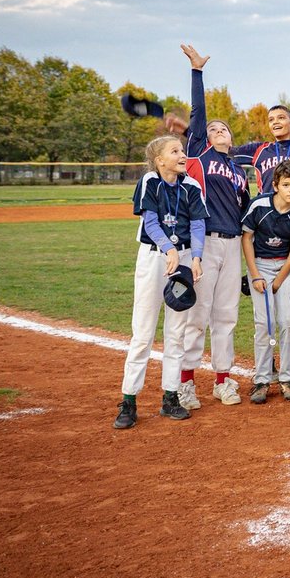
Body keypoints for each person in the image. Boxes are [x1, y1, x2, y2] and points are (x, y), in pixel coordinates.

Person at [114, 134, 206, 428]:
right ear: (159, 160)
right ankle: (128, 401)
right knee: (143, 332)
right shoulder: (150, 182)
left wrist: (196, 257)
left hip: (183, 257)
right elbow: (150, 222)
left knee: (176, 332)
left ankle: (170, 398)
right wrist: (169, 249)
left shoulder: (191, 185)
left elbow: (198, 224)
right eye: (175, 151)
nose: (182, 155)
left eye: (182, 150)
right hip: (155, 256)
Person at [179, 44, 250, 408]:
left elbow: (245, 210)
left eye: (224, 129)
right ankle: (186, 382)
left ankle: (223, 380)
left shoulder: (238, 170)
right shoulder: (199, 155)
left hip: (233, 244)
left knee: (226, 315)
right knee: (197, 315)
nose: (219, 130)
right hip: (203, 243)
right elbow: (198, 113)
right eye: (213, 129)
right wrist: (197, 72)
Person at [240, 157, 290, 404]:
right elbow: (247, 239)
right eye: (287, 185)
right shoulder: (259, 206)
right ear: (276, 185)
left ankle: (287, 377)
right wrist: (256, 275)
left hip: (285, 268)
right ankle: (261, 379)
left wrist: (279, 282)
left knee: (289, 321)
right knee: (264, 323)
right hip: (259, 264)